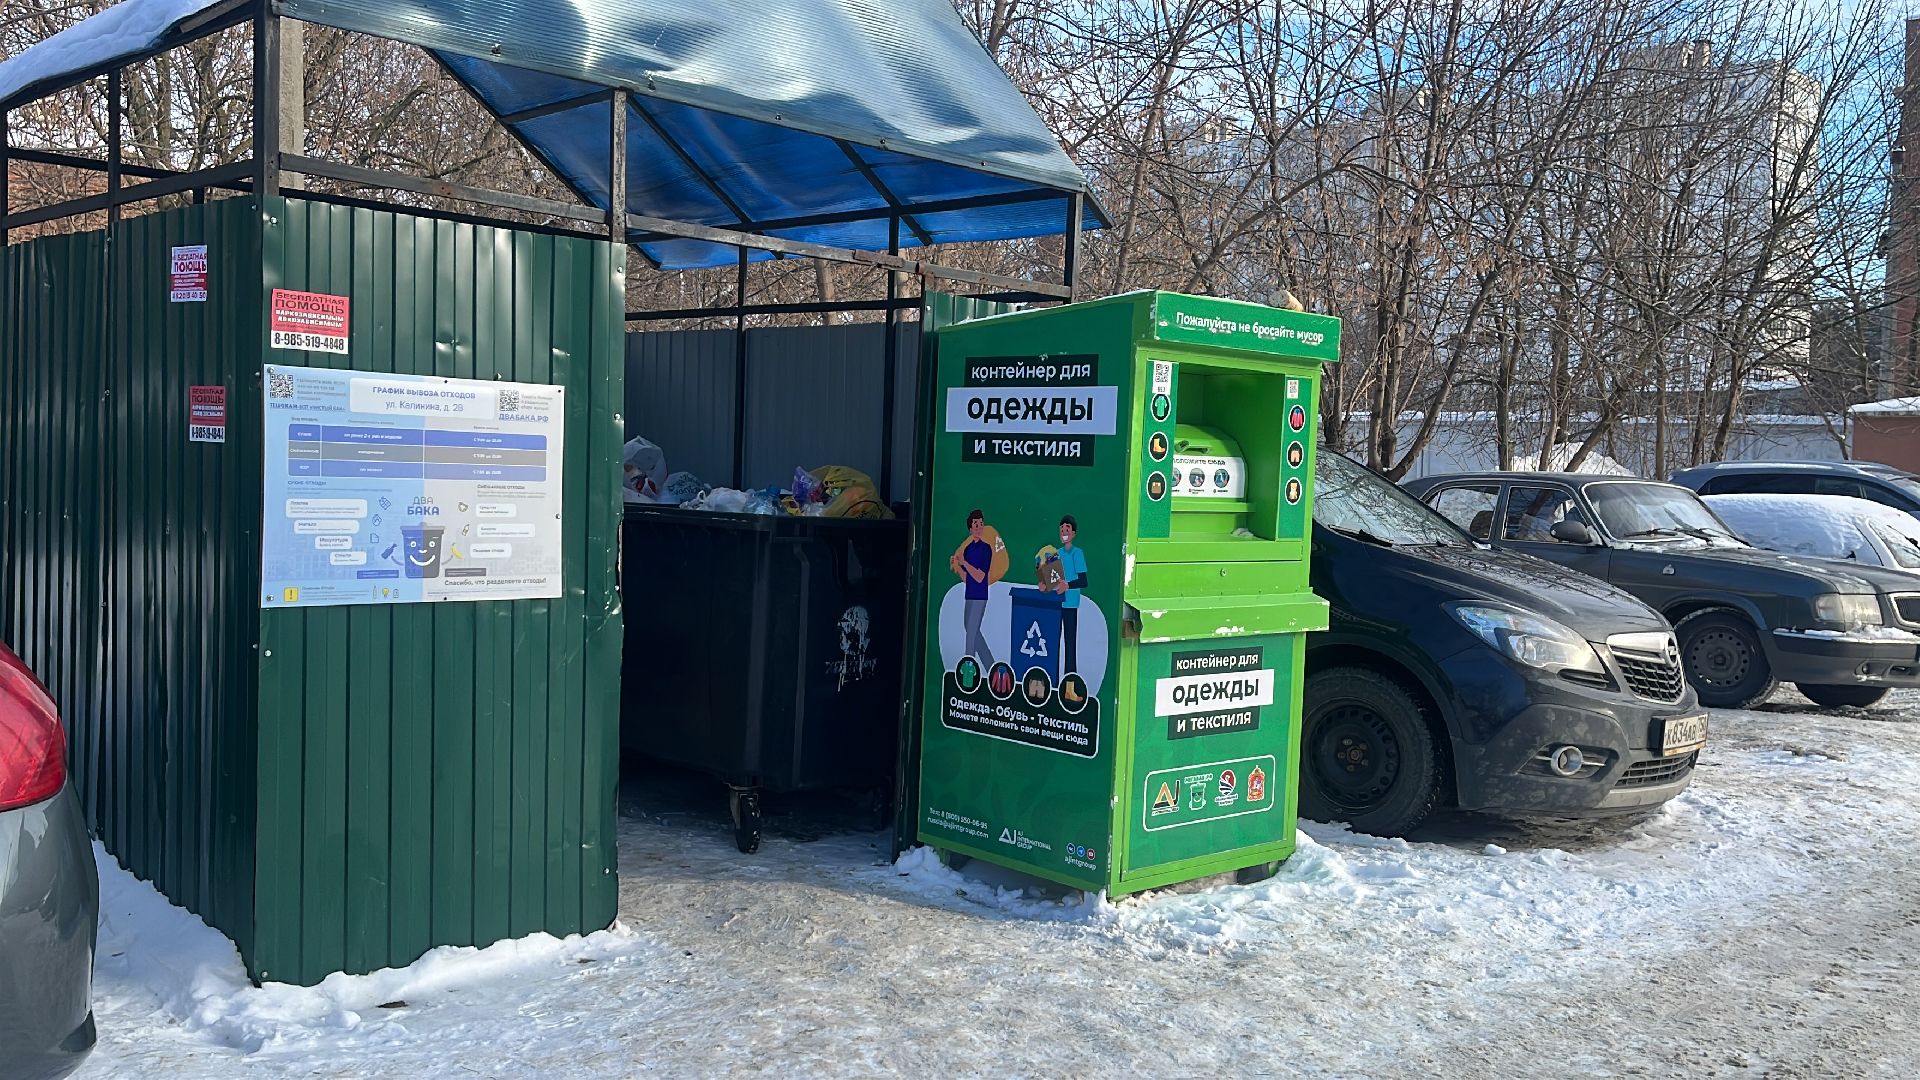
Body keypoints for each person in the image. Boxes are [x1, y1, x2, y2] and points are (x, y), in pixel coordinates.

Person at [952, 509, 997, 665]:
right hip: (969, 594)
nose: (979, 527)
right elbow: (967, 577)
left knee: (971, 633)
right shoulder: (968, 549)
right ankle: (990, 665)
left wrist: (964, 563)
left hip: (980, 595)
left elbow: (980, 576)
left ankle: (969, 667)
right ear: (970, 529)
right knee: (971, 630)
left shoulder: (986, 549)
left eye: (981, 523)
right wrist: (958, 566)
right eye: (975, 524)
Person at [1055, 515, 1088, 674]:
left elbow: (1083, 581)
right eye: (1062, 529)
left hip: (1070, 604)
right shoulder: (1056, 553)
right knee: (1053, 641)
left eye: (1067, 528)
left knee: (1069, 643)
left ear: (1073, 533)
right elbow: (1052, 578)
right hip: (1055, 603)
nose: (1064, 531)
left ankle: (1069, 680)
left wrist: (1067, 585)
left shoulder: (1077, 553)